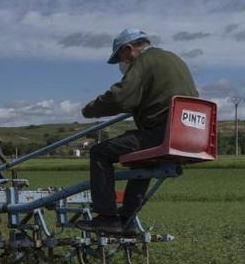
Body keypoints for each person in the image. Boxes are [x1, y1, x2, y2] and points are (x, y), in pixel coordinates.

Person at [76, 28, 198, 234]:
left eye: (121, 58)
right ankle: (127, 218)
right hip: (189, 136)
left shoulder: (144, 61)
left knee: (99, 152)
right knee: (139, 158)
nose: (122, 64)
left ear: (128, 49)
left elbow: (121, 97)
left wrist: (89, 110)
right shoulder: (173, 59)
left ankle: (106, 216)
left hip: (162, 133)